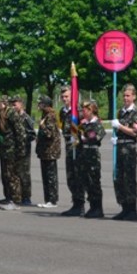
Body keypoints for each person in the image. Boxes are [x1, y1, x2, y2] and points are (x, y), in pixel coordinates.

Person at [109, 84, 137, 221]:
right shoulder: (121, 112)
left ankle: (132, 209)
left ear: (134, 96)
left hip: (129, 149)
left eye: (128, 95)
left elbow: (136, 132)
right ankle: (124, 208)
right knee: (119, 179)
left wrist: (120, 127)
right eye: (124, 95)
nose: (125, 98)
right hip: (119, 148)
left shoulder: (136, 114)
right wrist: (115, 138)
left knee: (129, 179)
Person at [0, 95, 26, 211]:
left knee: (13, 175)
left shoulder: (11, 113)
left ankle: (16, 200)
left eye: (1, 103)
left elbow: (20, 132)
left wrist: (21, 150)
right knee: (6, 174)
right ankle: (8, 197)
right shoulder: (1, 113)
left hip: (12, 149)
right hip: (5, 149)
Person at [78, 101, 106, 218]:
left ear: (91, 110)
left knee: (94, 182)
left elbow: (97, 136)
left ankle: (98, 208)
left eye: (84, 110)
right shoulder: (84, 124)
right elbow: (79, 137)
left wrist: (85, 137)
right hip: (85, 154)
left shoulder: (96, 124)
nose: (82, 112)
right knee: (87, 181)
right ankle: (92, 206)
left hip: (93, 154)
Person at [59, 86, 84, 216]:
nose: (64, 99)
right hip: (68, 145)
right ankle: (75, 202)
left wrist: (80, 138)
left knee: (78, 175)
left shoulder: (78, 110)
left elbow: (84, 126)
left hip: (77, 146)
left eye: (67, 96)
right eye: (63, 97)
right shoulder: (63, 111)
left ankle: (79, 204)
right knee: (70, 176)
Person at [35, 95, 61, 209]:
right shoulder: (45, 115)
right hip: (44, 151)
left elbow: (50, 134)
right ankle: (48, 200)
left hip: (50, 151)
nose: (38, 104)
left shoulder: (50, 116)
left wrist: (42, 126)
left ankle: (52, 200)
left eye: (40, 103)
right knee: (45, 176)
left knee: (51, 176)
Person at [12, 96, 36, 206]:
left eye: (15, 104)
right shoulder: (14, 117)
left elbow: (32, 135)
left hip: (24, 150)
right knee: (15, 173)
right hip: (15, 149)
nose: (13, 106)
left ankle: (26, 197)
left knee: (24, 174)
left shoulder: (26, 118)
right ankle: (17, 196)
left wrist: (23, 139)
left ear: (21, 104)